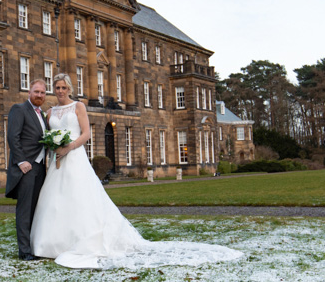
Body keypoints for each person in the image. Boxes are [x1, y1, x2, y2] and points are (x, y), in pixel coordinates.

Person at [31, 73, 243, 269]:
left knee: (80, 199)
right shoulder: (50, 112)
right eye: (56, 87)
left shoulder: (78, 107)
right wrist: (54, 147)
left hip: (75, 158)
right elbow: (48, 135)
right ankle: (52, 244)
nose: (59, 91)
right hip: (57, 161)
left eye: (63, 87)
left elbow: (86, 134)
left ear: (69, 88)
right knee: (57, 200)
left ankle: (81, 241)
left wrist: (69, 147)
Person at [5, 79, 49, 261]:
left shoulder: (42, 115)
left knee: (35, 209)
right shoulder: (19, 109)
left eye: (42, 93)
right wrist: (21, 161)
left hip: (40, 168)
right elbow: (13, 137)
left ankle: (33, 246)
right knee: (24, 210)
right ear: (29, 92)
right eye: (36, 91)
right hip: (26, 168)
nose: (39, 95)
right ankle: (24, 251)